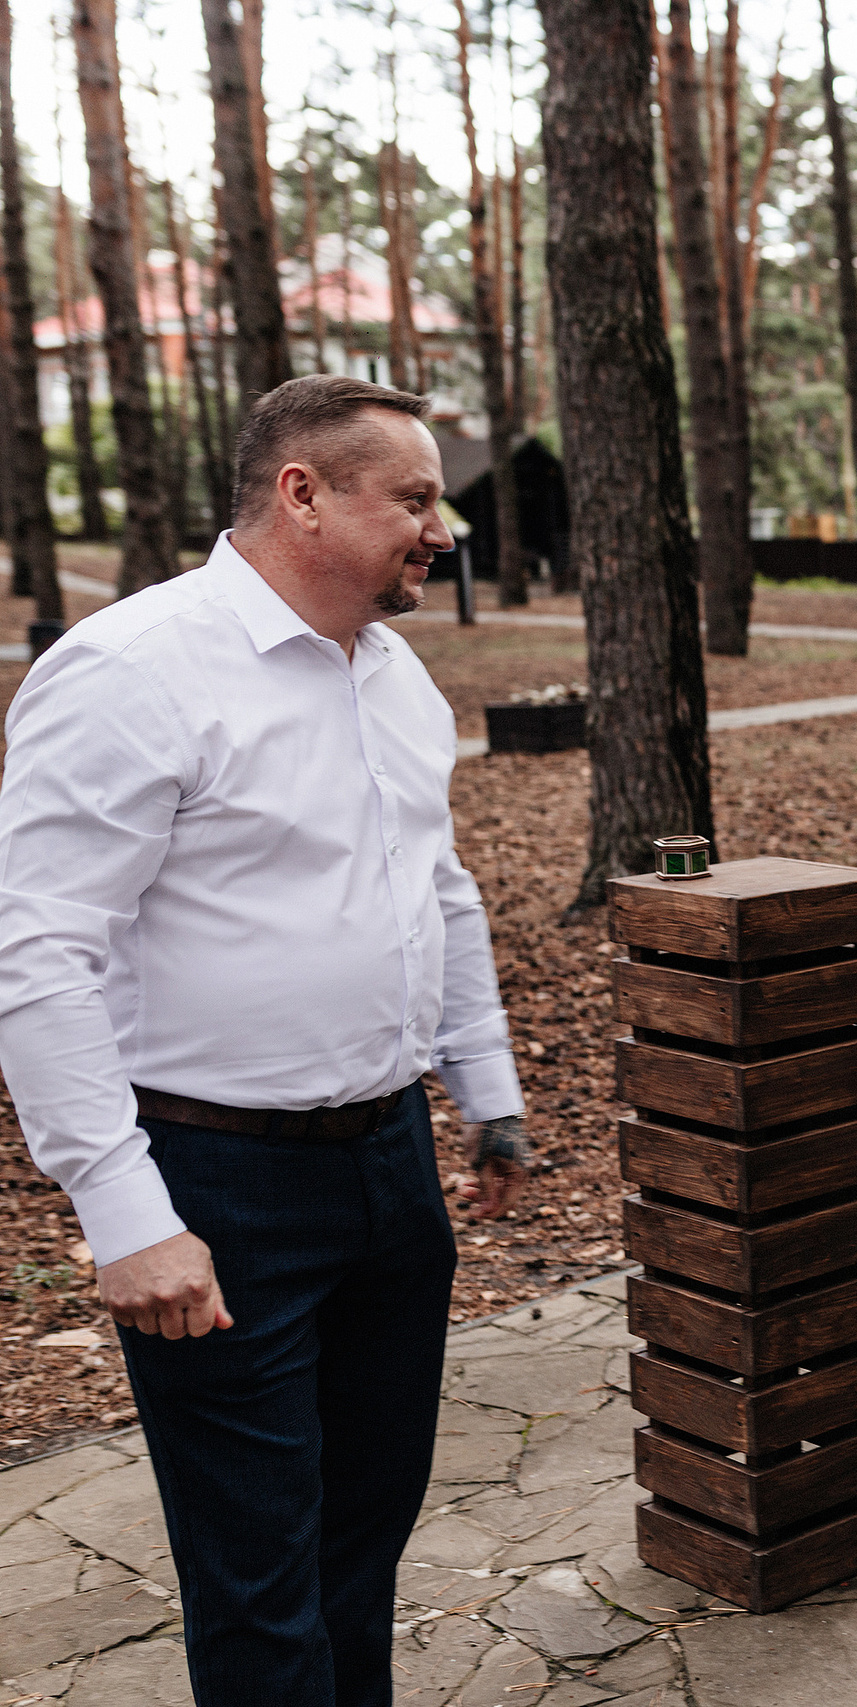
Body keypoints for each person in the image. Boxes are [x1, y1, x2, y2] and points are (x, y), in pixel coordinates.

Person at [0, 375, 532, 1707]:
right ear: (304, 493)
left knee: (363, 1536)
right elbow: (38, 952)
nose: (443, 528)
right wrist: (127, 1215)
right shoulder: (130, 671)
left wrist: (490, 1090)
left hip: (391, 1167)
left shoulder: (396, 672)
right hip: (218, 1182)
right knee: (257, 1577)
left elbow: (440, 887)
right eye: (414, 499)